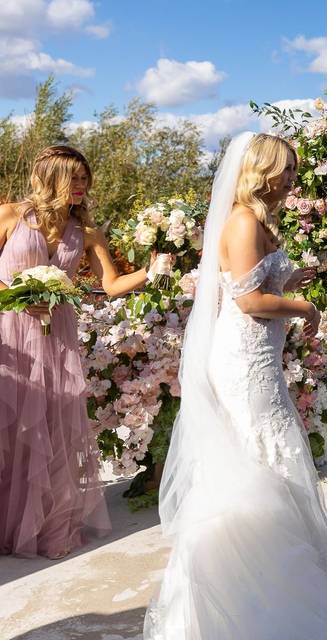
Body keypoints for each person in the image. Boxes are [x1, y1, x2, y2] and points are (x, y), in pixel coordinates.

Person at [144, 132, 327, 639]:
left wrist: (289, 281)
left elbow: (257, 287)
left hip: (258, 358)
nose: (291, 178)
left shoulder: (256, 221)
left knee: (270, 453)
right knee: (264, 454)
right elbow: (248, 303)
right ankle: (252, 580)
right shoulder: (242, 221)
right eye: (285, 169)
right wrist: (304, 307)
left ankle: (280, 565)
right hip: (243, 363)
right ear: (260, 170)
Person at [0, 145, 168, 559]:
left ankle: (47, 530)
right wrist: (13, 297)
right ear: (49, 176)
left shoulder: (87, 233)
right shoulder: (9, 215)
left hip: (57, 339)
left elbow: (111, 284)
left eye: (84, 178)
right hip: (10, 335)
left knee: (53, 432)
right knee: (9, 429)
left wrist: (153, 270)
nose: (81, 185)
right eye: (73, 177)